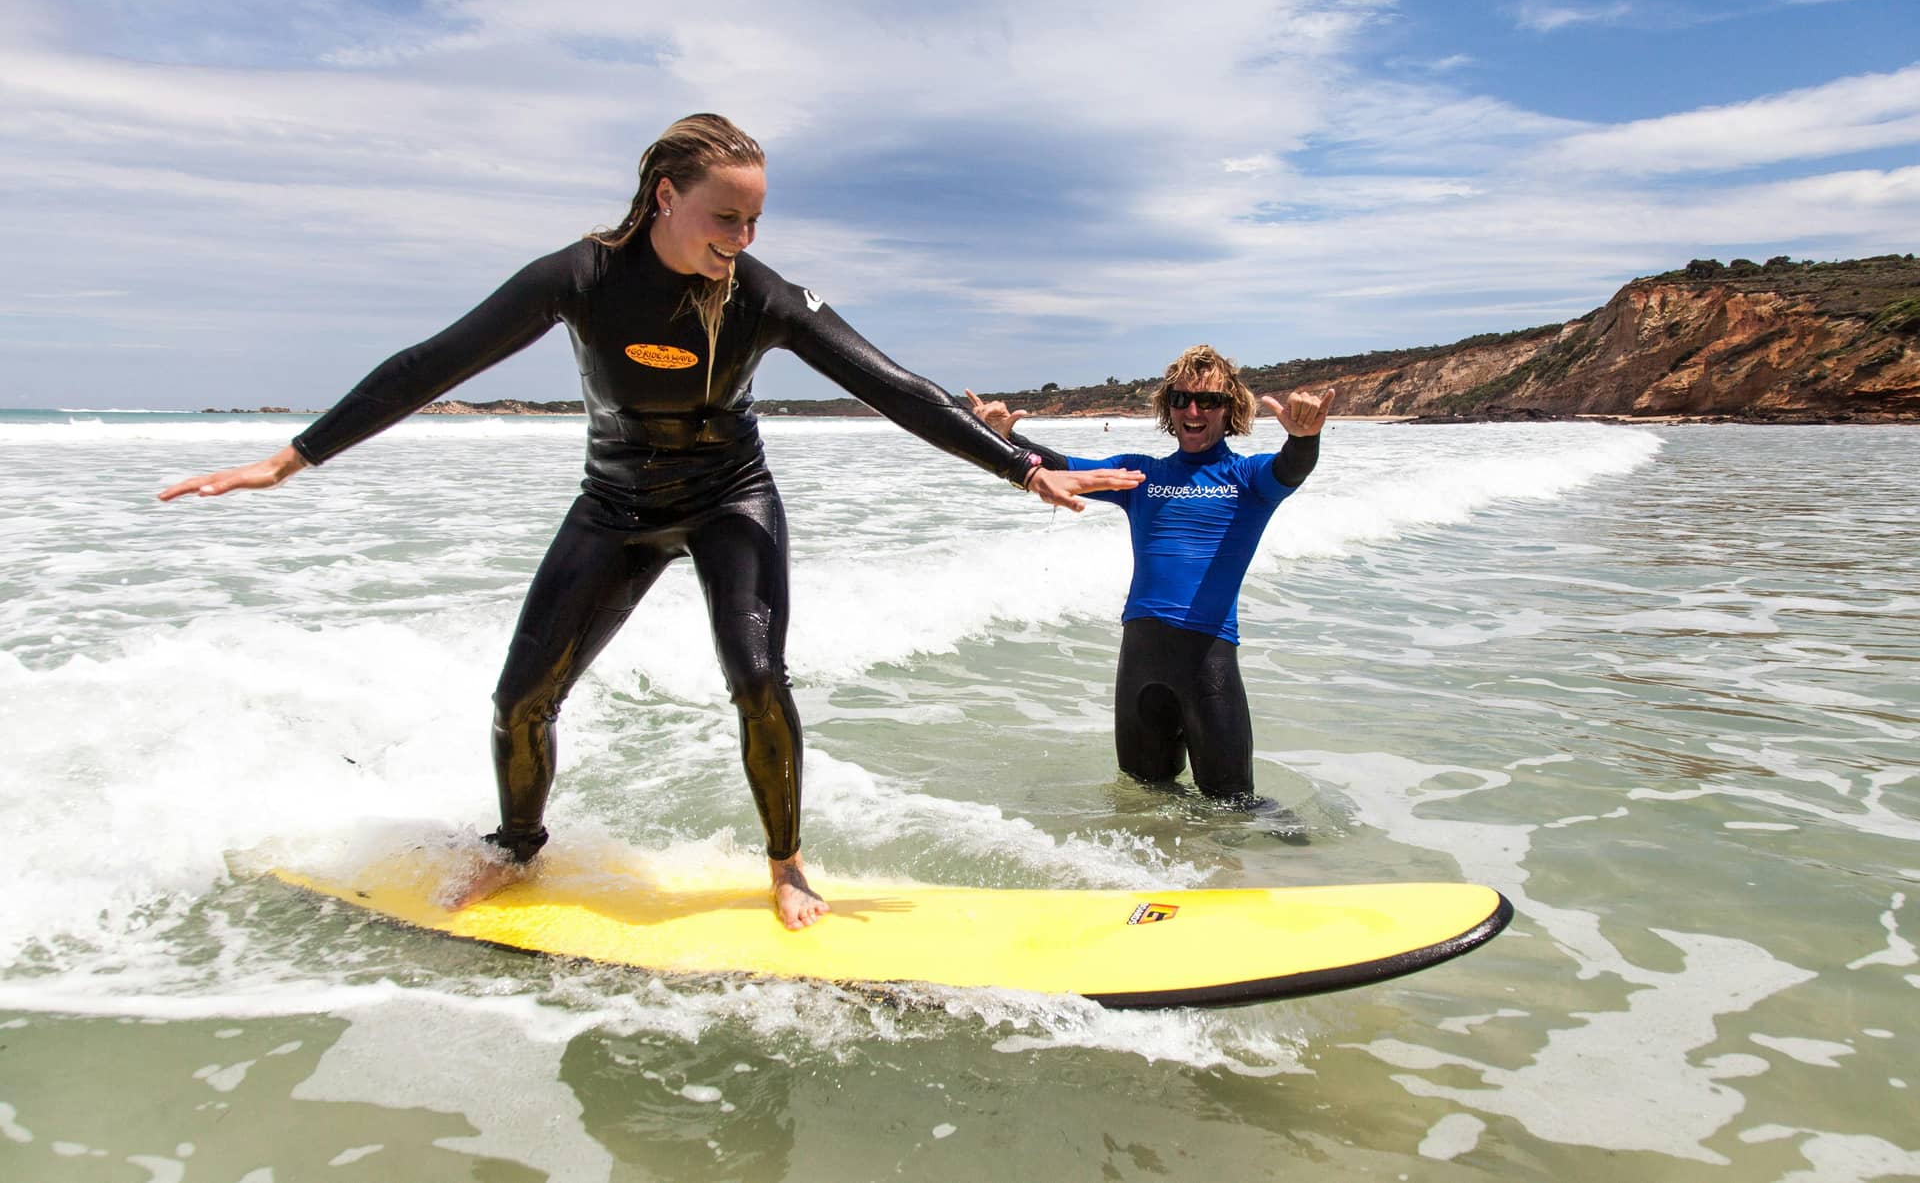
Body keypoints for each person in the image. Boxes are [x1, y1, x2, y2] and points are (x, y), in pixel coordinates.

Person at [158, 113, 1141, 930]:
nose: (742, 240)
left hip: (729, 500)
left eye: (755, 221)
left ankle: (788, 864)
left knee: (757, 677)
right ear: (665, 194)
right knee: (520, 699)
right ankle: (515, 845)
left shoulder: (760, 297)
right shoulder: (578, 277)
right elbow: (434, 362)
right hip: (617, 505)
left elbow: (894, 385)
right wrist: (296, 455)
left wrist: (1020, 466)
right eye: (726, 216)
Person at [967, 345, 1332, 813]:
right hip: (1139, 662)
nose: (1193, 411)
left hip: (1208, 664)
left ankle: (1291, 874)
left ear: (1231, 409)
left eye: (1209, 401)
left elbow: (1291, 467)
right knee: (1141, 797)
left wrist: (1304, 439)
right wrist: (1002, 440)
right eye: (1180, 400)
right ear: (1168, 408)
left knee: (1235, 808)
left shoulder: (1247, 477)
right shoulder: (1142, 475)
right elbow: (1061, 469)